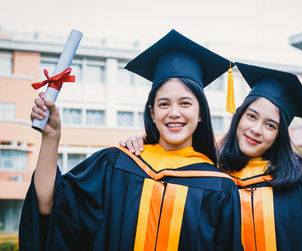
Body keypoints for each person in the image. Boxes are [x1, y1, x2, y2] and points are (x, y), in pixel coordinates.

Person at [19, 29, 243, 251]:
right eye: (164, 104)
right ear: (152, 113)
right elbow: (50, 203)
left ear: (201, 113)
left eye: (185, 103)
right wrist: (51, 138)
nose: (174, 112)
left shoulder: (219, 187)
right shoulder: (116, 164)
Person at [121, 62, 302, 250]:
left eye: (270, 125)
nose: (256, 130)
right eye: (252, 116)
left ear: (279, 134)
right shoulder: (210, 176)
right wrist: (149, 141)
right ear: (239, 118)